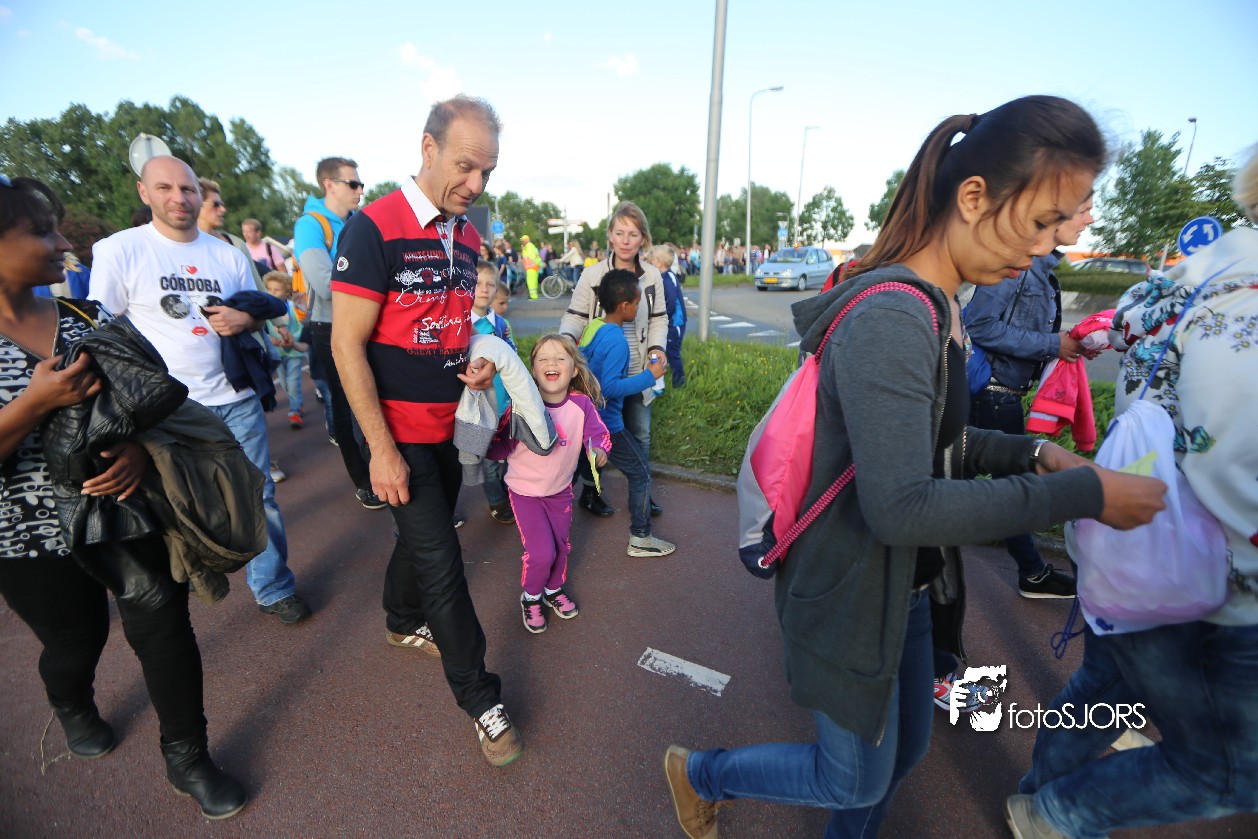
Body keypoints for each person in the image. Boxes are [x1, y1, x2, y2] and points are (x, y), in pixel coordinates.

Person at [660, 95, 1168, 839]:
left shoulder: (936, 305)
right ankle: (701, 774)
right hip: (851, 587)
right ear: (974, 197)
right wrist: (1082, 490)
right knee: (852, 775)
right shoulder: (896, 316)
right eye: (1040, 222)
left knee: (905, 752)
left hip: (906, 584)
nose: (1046, 247)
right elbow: (900, 505)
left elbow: (939, 444)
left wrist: (1032, 451)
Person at [1007, 145, 1258, 839]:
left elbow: (1108, 332)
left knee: (1104, 688)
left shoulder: (1186, 277)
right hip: (1217, 575)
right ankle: (1055, 811)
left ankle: (1037, 798)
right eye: (1077, 210)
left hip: (1131, 529)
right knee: (1229, 768)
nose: (1084, 221)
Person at [0, 175, 246, 819]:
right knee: (75, 642)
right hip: (26, 534)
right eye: (40, 232)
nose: (62, 244)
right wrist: (34, 403)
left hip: (122, 508)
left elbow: (145, 399)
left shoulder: (84, 316)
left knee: (163, 619)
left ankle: (188, 756)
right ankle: (70, 699)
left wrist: (139, 447)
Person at [330, 94, 524, 768]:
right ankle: (481, 698)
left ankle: (398, 617)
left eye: (487, 172)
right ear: (428, 148)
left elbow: (449, 324)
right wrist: (380, 450)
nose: (476, 183)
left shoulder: (467, 235)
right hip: (398, 434)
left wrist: (475, 361)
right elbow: (346, 346)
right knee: (443, 560)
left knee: (424, 537)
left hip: (453, 426)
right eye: (466, 166)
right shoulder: (372, 228)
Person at [89, 156, 312, 626]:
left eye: (188, 189)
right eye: (165, 188)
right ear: (144, 192)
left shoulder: (227, 254)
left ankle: (273, 587)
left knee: (258, 495)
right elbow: (100, 333)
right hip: (167, 406)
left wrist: (246, 318)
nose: (179, 198)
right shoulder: (119, 249)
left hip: (235, 397)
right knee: (179, 502)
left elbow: (258, 313)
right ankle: (189, 582)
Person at [963, 198, 1098, 600]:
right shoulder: (1016, 264)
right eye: (1083, 208)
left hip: (999, 394)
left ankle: (905, 551)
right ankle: (1031, 573)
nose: (1090, 219)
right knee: (1016, 487)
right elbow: (979, 324)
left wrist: (1068, 344)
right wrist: (1053, 344)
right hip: (992, 393)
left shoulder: (1040, 268)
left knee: (964, 481)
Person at [487, 334, 609, 633]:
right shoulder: (522, 407)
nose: (551, 363)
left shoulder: (582, 405)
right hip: (524, 493)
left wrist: (598, 450)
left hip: (560, 492)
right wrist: (484, 442)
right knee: (542, 553)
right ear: (533, 370)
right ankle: (531, 597)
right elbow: (500, 444)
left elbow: (598, 434)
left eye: (559, 358)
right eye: (543, 359)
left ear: (574, 370)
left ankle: (553, 589)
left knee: (561, 547)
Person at [559, 201, 668, 518]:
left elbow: (659, 318)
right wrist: (564, 347)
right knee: (595, 434)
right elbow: (575, 316)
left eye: (633, 234)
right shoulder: (593, 274)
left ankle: (642, 492)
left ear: (643, 238)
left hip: (639, 369)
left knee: (640, 434)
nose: (625, 240)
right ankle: (590, 492)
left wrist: (657, 350)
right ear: (609, 235)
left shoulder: (652, 277)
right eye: (619, 233)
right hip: (601, 374)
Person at [292, 157, 385, 510]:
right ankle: (363, 480)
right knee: (347, 406)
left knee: (374, 400)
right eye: (353, 183)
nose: (360, 190)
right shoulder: (310, 225)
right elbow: (323, 282)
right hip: (330, 327)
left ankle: (382, 468)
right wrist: (375, 279)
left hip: (366, 324)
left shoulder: (357, 222)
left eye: (361, 183)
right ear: (329, 185)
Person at [580, 269, 675, 557]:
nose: (637, 307)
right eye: (636, 303)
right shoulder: (618, 341)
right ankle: (641, 538)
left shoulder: (594, 327)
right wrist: (650, 376)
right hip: (607, 424)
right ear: (624, 306)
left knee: (568, 472)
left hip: (585, 418)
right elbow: (608, 387)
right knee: (641, 473)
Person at [470, 260, 515, 524]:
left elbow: (513, 358)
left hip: (504, 404)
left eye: (490, 284)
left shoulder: (501, 323)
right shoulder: (461, 322)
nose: (484, 289)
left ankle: (509, 492)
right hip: (478, 409)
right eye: (477, 283)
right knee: (486, 460)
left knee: (511, 452)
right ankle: (497, 501)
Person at [263, 271, 309, 430]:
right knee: (284, 383)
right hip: (277, 352)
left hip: (294, 351)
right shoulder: (266, 309)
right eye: (269, 289)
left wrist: (291, 339)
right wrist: (270, 339)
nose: (272, 293)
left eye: (277, 290)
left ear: (287, 291)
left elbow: (302, 327)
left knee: (293, 382)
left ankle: (294, 411)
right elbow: (263, 329)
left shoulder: (293, 307)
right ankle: (297, 404)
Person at [650, 244, 687, 387]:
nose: (651, 261)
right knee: (669, 350)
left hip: (674, 322)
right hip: (672, 321)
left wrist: (663, 317)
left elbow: (670, 302)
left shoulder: (667, 279)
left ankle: (679, 381)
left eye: (653, 259)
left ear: (660, 263)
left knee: (673, 352)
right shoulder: (665, 276)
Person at [520, 234, 541, 300]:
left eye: (523, 240)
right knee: (533, 282)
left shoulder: (528, 246)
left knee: (531, 282)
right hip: (533, 267)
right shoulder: (530, 246)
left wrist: (535, 263)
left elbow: (532, 257)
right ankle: (534, 295)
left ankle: (533, 296)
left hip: (531, 266)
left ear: (526, 240)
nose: (522, 242)